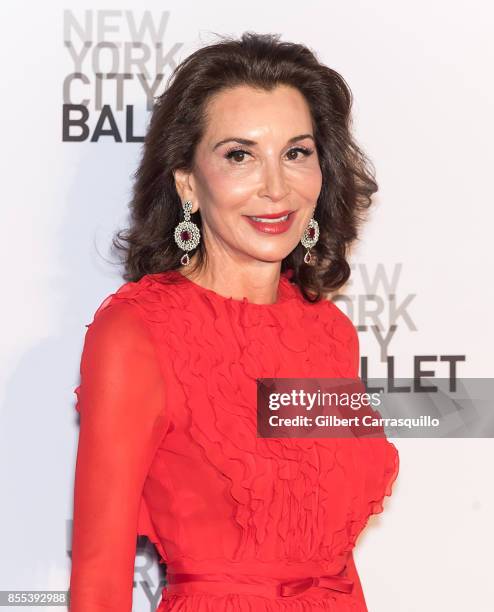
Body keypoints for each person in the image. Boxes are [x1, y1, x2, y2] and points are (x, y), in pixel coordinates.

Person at [69, 31, 400, 611]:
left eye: (296, 153)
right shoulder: (136, 334)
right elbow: (99, 578)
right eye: (239, 155)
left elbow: (333, 561)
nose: (276, 188)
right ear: (188, 182)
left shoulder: (329, 334)